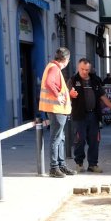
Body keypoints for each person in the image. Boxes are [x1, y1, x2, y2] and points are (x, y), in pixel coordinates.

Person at [69, 58, 111, 173]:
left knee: (94, 140)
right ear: (78, 67)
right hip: (79, 115)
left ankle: (93, 164)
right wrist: (70, 94)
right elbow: (65, 96)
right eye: (82, 69)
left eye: (87, 70)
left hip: (93, 115)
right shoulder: (73, 80)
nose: (84, 72)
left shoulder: (95, 80)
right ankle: (79, 163)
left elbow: (103, 97)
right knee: (79, 140)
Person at [39, 47, 76, 178]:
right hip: (56, 110)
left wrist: (66, 93)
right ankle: (54, 167)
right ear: (65, 59)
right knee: (56, 138)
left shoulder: (53, 67)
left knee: (60, 138)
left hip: (58, 110)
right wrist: (58, 96)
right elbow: (49, 83)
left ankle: (61, 165)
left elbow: (54, 85)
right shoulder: (54, 68)